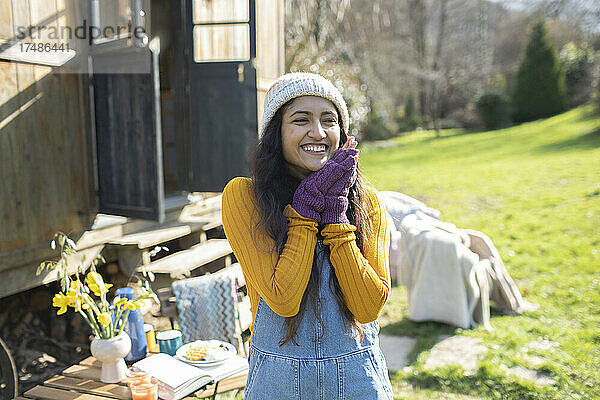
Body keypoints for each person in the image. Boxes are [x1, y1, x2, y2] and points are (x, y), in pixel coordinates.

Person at [222, 72, 393, 399]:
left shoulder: (366, 201)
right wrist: (304, 213)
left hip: (358, 380)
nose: (318, 132)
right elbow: (283, 299)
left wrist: (335, 218)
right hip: (278, 382)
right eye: (301, 120)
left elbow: (368, 307)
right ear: (275, 132)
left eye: (329, 121)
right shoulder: (245, 197)